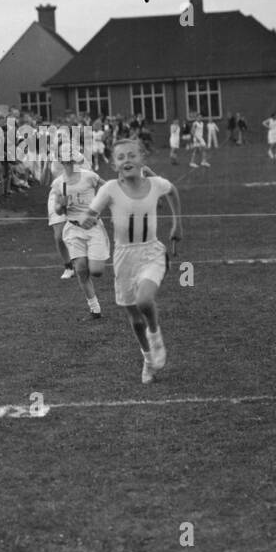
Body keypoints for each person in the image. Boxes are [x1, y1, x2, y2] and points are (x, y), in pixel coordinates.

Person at [80, 138, 182, 384]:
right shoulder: (110, 189)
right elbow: (90, 214)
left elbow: (173, 191)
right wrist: (85, 219)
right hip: (124, 257)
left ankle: (156, 336)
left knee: (145, 300)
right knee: (135, 320)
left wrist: (178, 224)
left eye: (132, 155)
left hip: (151, 253)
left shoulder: (156, 184)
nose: (127, 160)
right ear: (114, 165)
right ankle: (147, 359)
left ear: (142, 159)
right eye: (121, 157)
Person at [49, 151, 107, 318]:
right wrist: (62, 205)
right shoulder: (59, 183)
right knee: (81, 268)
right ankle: (94, 308)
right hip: (73, 229)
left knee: (96, 271)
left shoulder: (89, 176)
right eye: (65, 161)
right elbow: (58, 211)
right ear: (61, 162)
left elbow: (107, 188)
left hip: (93, 227)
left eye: (70, 160)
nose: (68, 163)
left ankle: (93, 265)